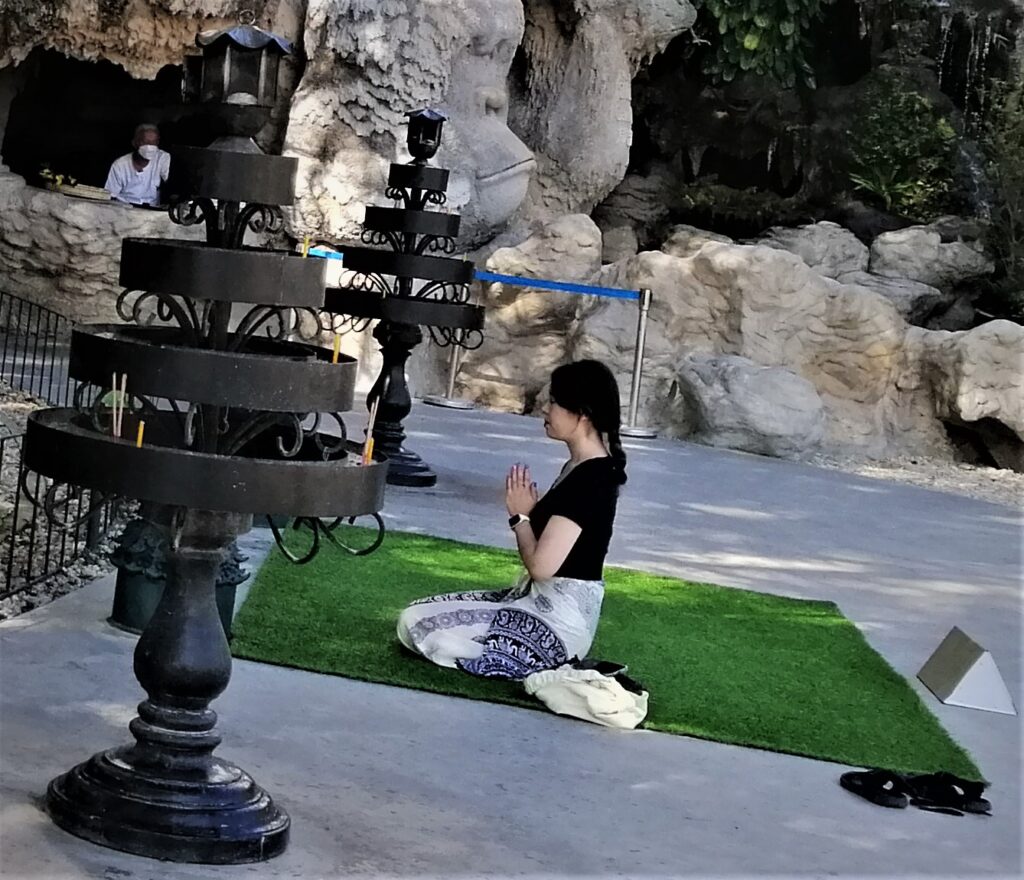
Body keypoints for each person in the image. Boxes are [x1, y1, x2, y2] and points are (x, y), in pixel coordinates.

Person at [396, 360, 627, 680]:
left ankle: (537, 660)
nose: (545, 410)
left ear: (583, 413)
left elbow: (542, 567)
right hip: (536, 603)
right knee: (418, 613)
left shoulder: (591, 480)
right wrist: (530, 514)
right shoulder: (579, 468)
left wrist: (520, 517)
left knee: (419, 626)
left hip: (557, 627)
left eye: (554, 403)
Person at [104, 123, 170, 206]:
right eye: (145, 142)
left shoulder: (162, 158)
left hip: (152, 210)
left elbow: (173, 182)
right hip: (124, 209)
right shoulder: (120, 165)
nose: (150, 147)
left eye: (153, 143)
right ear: (134, 143)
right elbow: (110, 195)